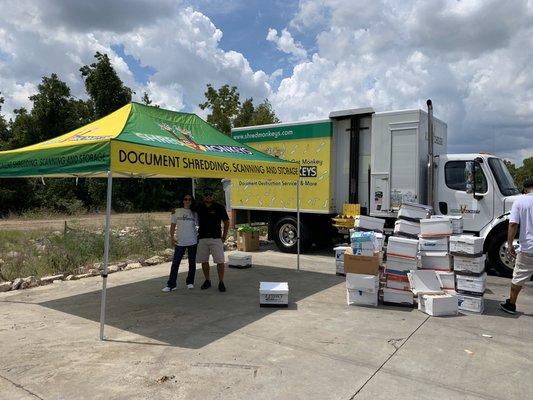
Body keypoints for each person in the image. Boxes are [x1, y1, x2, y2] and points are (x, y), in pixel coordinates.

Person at [500, 178, 533, 314]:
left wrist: (509, 244)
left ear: (525, 189)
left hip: (529, 248)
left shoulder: (520, 201)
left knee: (518, 277)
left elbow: (513, 224)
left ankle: (511, 304)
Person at [162, 194, 198, 292]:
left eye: (189, 199)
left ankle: (190, 282)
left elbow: (199, 224)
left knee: (192, 263)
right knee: (175, 264)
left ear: (191, 201)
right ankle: (171, 285)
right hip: (180, 242)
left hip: (192, 241)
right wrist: (172, 237)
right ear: (183, 201)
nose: (187, 201)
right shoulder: (176, 211)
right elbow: (173, 226)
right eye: (185, 199)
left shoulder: (194, 213)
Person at [196, 191, 230, 292]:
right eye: (206, 195)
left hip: (216, 238)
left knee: (220, 262)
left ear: (213, 196)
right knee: (204, 261)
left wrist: (224, 236)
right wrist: (174, 210)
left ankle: (221, 282)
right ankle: (207, 281)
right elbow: (186, 207)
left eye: (210, 195)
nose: (208, 196)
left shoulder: (219, 207)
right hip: (202, 238)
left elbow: (226, 222)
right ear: (203, 197)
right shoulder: (199, 206)